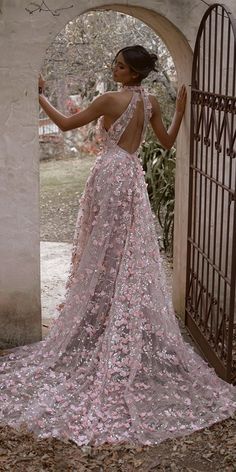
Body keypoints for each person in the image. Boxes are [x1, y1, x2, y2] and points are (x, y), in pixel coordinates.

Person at [0, 45, 235, 447]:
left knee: (102, 251)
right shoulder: (152, 101)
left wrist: (39, 94)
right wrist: (179, 109)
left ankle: (102, 317)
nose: (115, 68)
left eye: (121, 65)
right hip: (131, 177)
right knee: (126, 250)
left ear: (133, 73)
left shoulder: (108, 99)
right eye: (116, 63)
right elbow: (165, 142)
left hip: (110, 175)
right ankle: (112, 315)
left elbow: (63, 124)